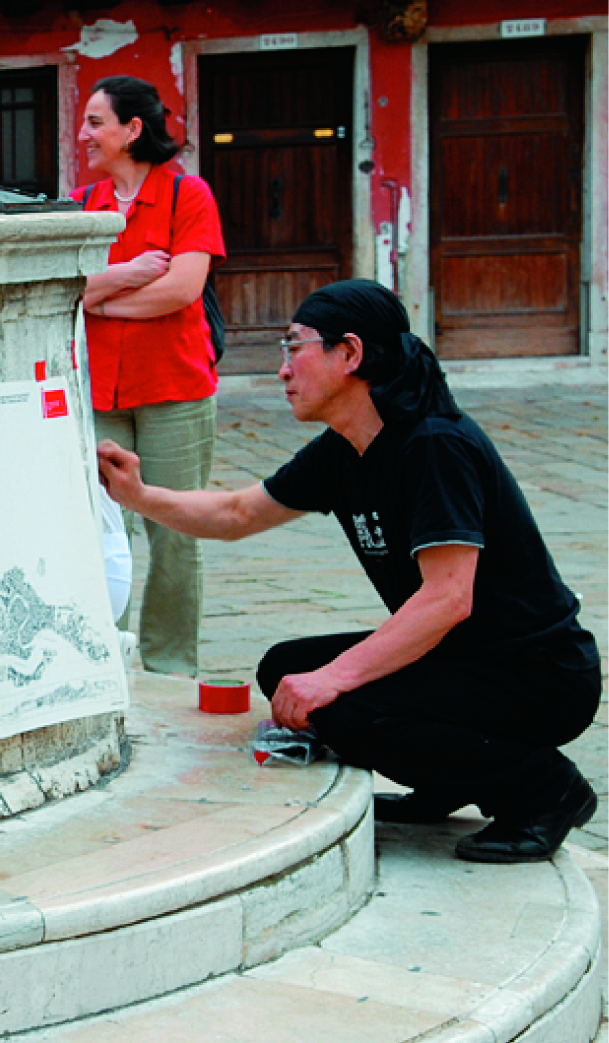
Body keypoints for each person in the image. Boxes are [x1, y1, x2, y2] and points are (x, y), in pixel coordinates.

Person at [97, 280, 600, 864]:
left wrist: (334, 679)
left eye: (295, 347)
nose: (283, 369)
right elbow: (237, 514)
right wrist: (137, 495)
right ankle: (449, 779)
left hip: (536, 673)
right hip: (460, 657)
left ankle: (546, 790)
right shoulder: (343, 450)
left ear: (350, 353)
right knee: (287, 670)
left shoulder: (435, 446)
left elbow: (448, 598)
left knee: (340, 706)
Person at [74, 75, 226, 677]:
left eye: (95, 122)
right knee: (96, 528)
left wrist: (100, 300)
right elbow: (63, 289)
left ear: (133, 129)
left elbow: (182, 289)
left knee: (174, 531)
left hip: (173, 388)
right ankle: (99, 657)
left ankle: (169, 666)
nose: (83, 134)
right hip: (99, 393)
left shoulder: (188, 195)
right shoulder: (82, 205)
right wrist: (128, 274)